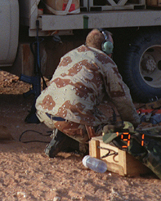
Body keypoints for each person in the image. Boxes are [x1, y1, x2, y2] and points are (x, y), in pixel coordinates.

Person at [35, 28, 140, 158]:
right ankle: (78, 142)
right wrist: (134, 123)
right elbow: (122, 98)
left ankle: (66, 133)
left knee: (84, 106)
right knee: (114, 113)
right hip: (72, 120)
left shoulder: (70, 55)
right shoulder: (105, 61)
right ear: (106, 47)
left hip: (45, 113)